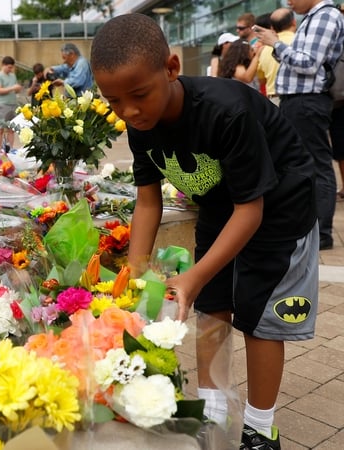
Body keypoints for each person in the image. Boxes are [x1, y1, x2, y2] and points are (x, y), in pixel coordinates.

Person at [91, 13, 319, 450]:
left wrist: (194, 273)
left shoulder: (224, 110)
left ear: (172, 68)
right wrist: (135, 276)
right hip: (221, 204)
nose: (129, 111)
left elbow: (251, 210)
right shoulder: (141, 127)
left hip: (278, 208)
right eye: (114, 101)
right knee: (210, 305)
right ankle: (212, 415)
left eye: (139, 95)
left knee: (260, 317)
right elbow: (147, 201)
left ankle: (258, 427)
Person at [254, 0, 344, 251]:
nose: (288, 2)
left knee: (316, 165)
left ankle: (321, 233)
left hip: (307, 100)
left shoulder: (325, 16)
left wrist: (276, 43)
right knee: (302, 164)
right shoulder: (314, 17)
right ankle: (311, 228)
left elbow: (308, 64)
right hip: (299, 101)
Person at [256, 9, 296, 105]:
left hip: (273, 100)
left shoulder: (264, 49)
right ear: (294, 22)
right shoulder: (299, 40)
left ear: (272, 28)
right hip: (297, 97)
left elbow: (261, 80)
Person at [0, 56, 22, 151]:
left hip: (13, 104)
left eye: (12, 67)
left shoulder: (12, 76)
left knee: (12, 128)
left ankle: (11, 148)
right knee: (0, 128)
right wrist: (13, 88)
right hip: (3, 104)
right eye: (9, 67)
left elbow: (15, 90)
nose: (10, 69)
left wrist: (17, 89)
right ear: (4, 65)